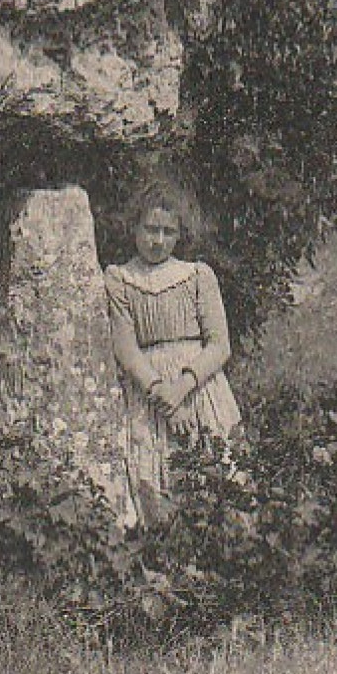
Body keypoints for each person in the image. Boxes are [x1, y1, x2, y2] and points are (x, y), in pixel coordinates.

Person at [103, 180, 242, 522]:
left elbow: (220, 345)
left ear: (179, 235)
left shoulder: (197, 276)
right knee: (157, 483)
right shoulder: (120, 279)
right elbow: (126, 348)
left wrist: (180, 389)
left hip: (200, 389)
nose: (158, 240)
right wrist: (160, 393)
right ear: (134, 227)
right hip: (150, 392)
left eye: (168, 232)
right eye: (150, 229)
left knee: (219, 475)